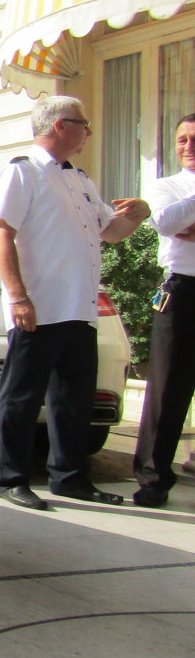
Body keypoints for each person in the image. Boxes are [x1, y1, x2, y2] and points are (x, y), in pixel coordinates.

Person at [0, 95, 151, 510]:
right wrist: (18, 297)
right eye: (83, 124)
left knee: (73, 400)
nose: (89, 133)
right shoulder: (23, 171)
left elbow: (111, 232)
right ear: (60, 126)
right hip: (40, 306)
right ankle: (10, 478)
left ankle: (70, 478)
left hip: (79, 308)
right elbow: (2, 233)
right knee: (22, 397)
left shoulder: (79, 178)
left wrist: (141, 212)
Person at [133, 113, 195, 507]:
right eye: (182, 140)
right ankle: (154, 478)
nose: (188, 146)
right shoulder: (165, 185)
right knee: (169, 386)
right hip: (182, 288)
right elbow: (166, 221)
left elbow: (179, 225)